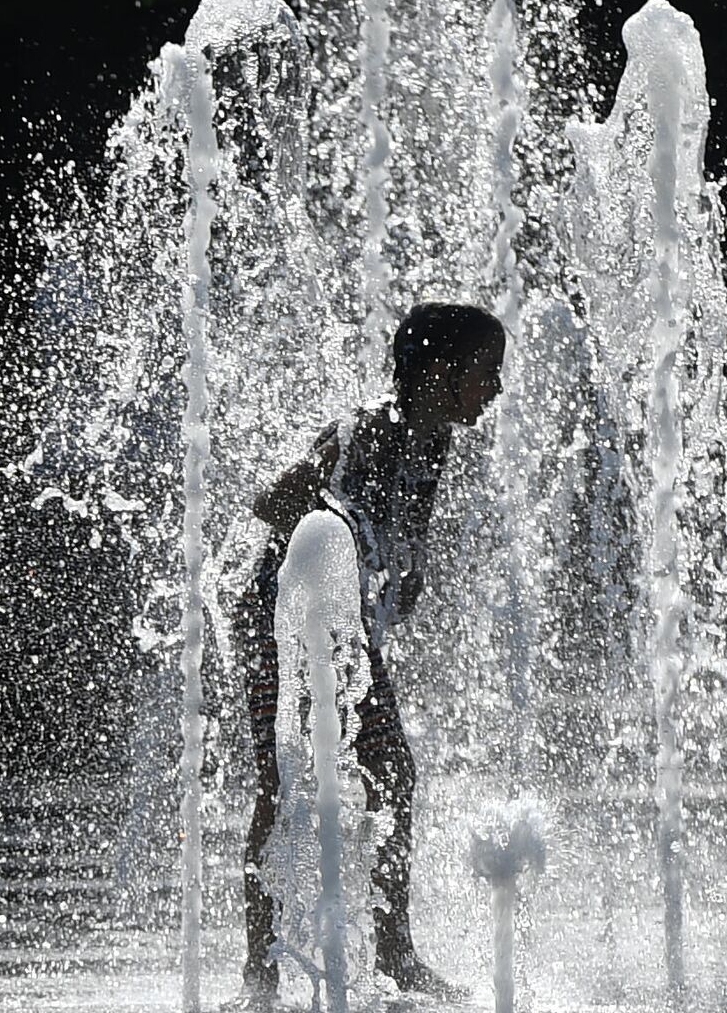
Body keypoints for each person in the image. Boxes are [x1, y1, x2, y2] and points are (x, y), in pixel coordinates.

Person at [237, 302, 503, 1000]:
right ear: (440, 373)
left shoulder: (431, 440)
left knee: (393, 773)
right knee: (283, 783)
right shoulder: (366, 432)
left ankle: (393, 955)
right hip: (281, 625)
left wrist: (400, 569)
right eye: (485, 372)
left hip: (339, 627)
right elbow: (271, 504)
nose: (496, 389)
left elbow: (401, 532)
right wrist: (334, 541)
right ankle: (260, 973)